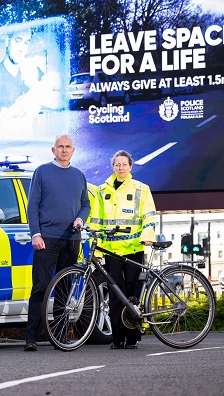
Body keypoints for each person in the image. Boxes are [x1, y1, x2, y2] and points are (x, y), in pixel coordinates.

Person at [24, 134, 90, 351]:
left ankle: (60, 336)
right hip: (47, 239)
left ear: (73, 150)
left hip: (71, 239)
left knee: (65, 289)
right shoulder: (42, 172)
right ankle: (31, 337)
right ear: (53, 150)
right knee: (41, 287)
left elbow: (86, 205)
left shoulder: (79, 175)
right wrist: (35, 233)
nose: (64, 150)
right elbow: (32, 205)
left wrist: (81, 218)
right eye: (60, 147)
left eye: (67, 147)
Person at [90, 150, 157, 349]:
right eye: (117, 164)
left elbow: (149, 216)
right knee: (114, 294)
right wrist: (98, 250)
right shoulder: (102, 192)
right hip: (111, 251)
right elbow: (96, 222)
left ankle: (132, 338)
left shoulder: (141, 189)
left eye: (124, 164)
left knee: (131, 293)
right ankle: (117, 338)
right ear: (113, 167)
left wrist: (147, 237)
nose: (121, 168)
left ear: (130, 167)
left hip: (134, 248)